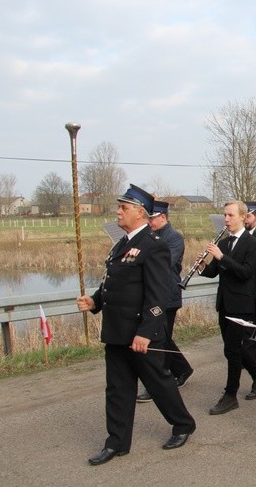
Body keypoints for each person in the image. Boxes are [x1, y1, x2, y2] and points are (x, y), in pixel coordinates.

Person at [76, 185, 195, 466]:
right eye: (119, 207)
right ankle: (116, 442)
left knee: (158, 383)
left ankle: (183, 424)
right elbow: (113, 283)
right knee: (117, 389)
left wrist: (145, 332)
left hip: (141, 333)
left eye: (124, 208)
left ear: (140, 213)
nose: (118, 211)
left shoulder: (155, 246)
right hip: (116, 330)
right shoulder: (121, 244)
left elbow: (158, 294)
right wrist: (94, 301)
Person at [199, 201, 256, 415]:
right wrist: (202, 266)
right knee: (232, 348)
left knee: (232, 350)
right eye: (224, 215)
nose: (226, 219)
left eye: (230, 215)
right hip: (225, 303)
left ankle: (230, 395)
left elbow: (246, 272)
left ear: (242, 216)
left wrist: (223, 258)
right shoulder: (223, 242)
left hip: (242, 304)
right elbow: (214, 271)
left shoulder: (253, 243)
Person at [137, 200, 193, 403]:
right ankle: (183, 369)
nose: (149, 222)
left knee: (158, 340)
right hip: (152, 296)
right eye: (148, 218)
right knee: (163, 339)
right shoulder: (149, 236)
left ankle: (157, 384)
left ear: (163, 217)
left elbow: (164, 264)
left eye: (152, 218)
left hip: (168, 296)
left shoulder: (174, 238)